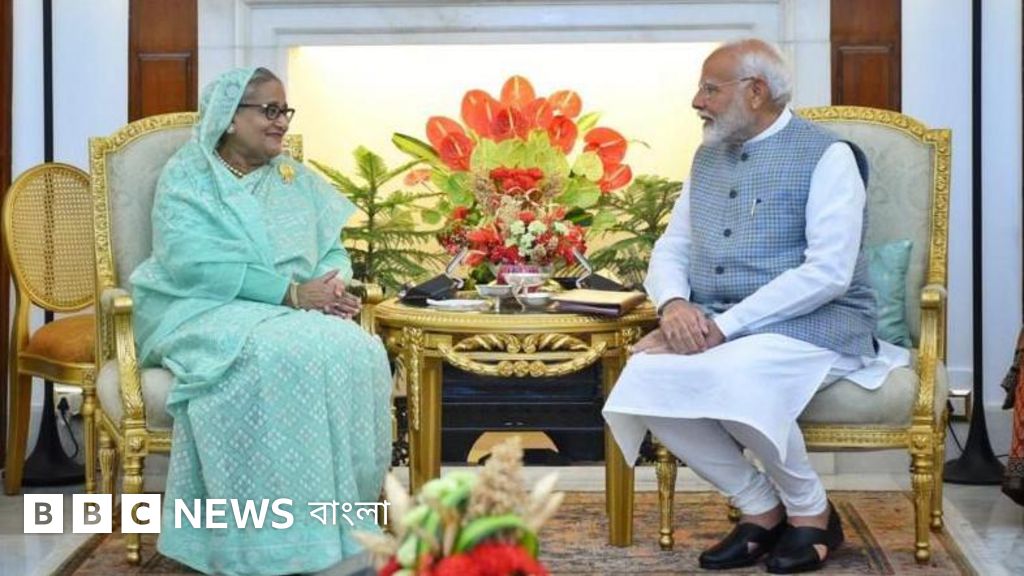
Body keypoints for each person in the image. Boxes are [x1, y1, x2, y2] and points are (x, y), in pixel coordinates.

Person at [603, 39, 909, 574]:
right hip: (724, 325)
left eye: (710, 89)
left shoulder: (828, 156)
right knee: (644, 374)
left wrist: (724, 328)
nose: (697, 101)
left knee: (737, 373)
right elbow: (673, 246)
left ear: (756, 91)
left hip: (818, 324)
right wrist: (673, 305)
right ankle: (760, 507)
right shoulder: (706, 157)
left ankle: (812, 514)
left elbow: (828, 272)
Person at [130, 67, 392, 576]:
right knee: (278, 353)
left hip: (290, 310)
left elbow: (331, 249)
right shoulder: (190, 177)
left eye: (284, 111)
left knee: (357, 348)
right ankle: (266, 542)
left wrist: (331, 288)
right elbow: (191, 263)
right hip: (200, 307)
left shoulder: (294, 177)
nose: (281, 123)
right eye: (269, 111)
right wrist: (289, 293)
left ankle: (338, 532)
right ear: (230, 118)